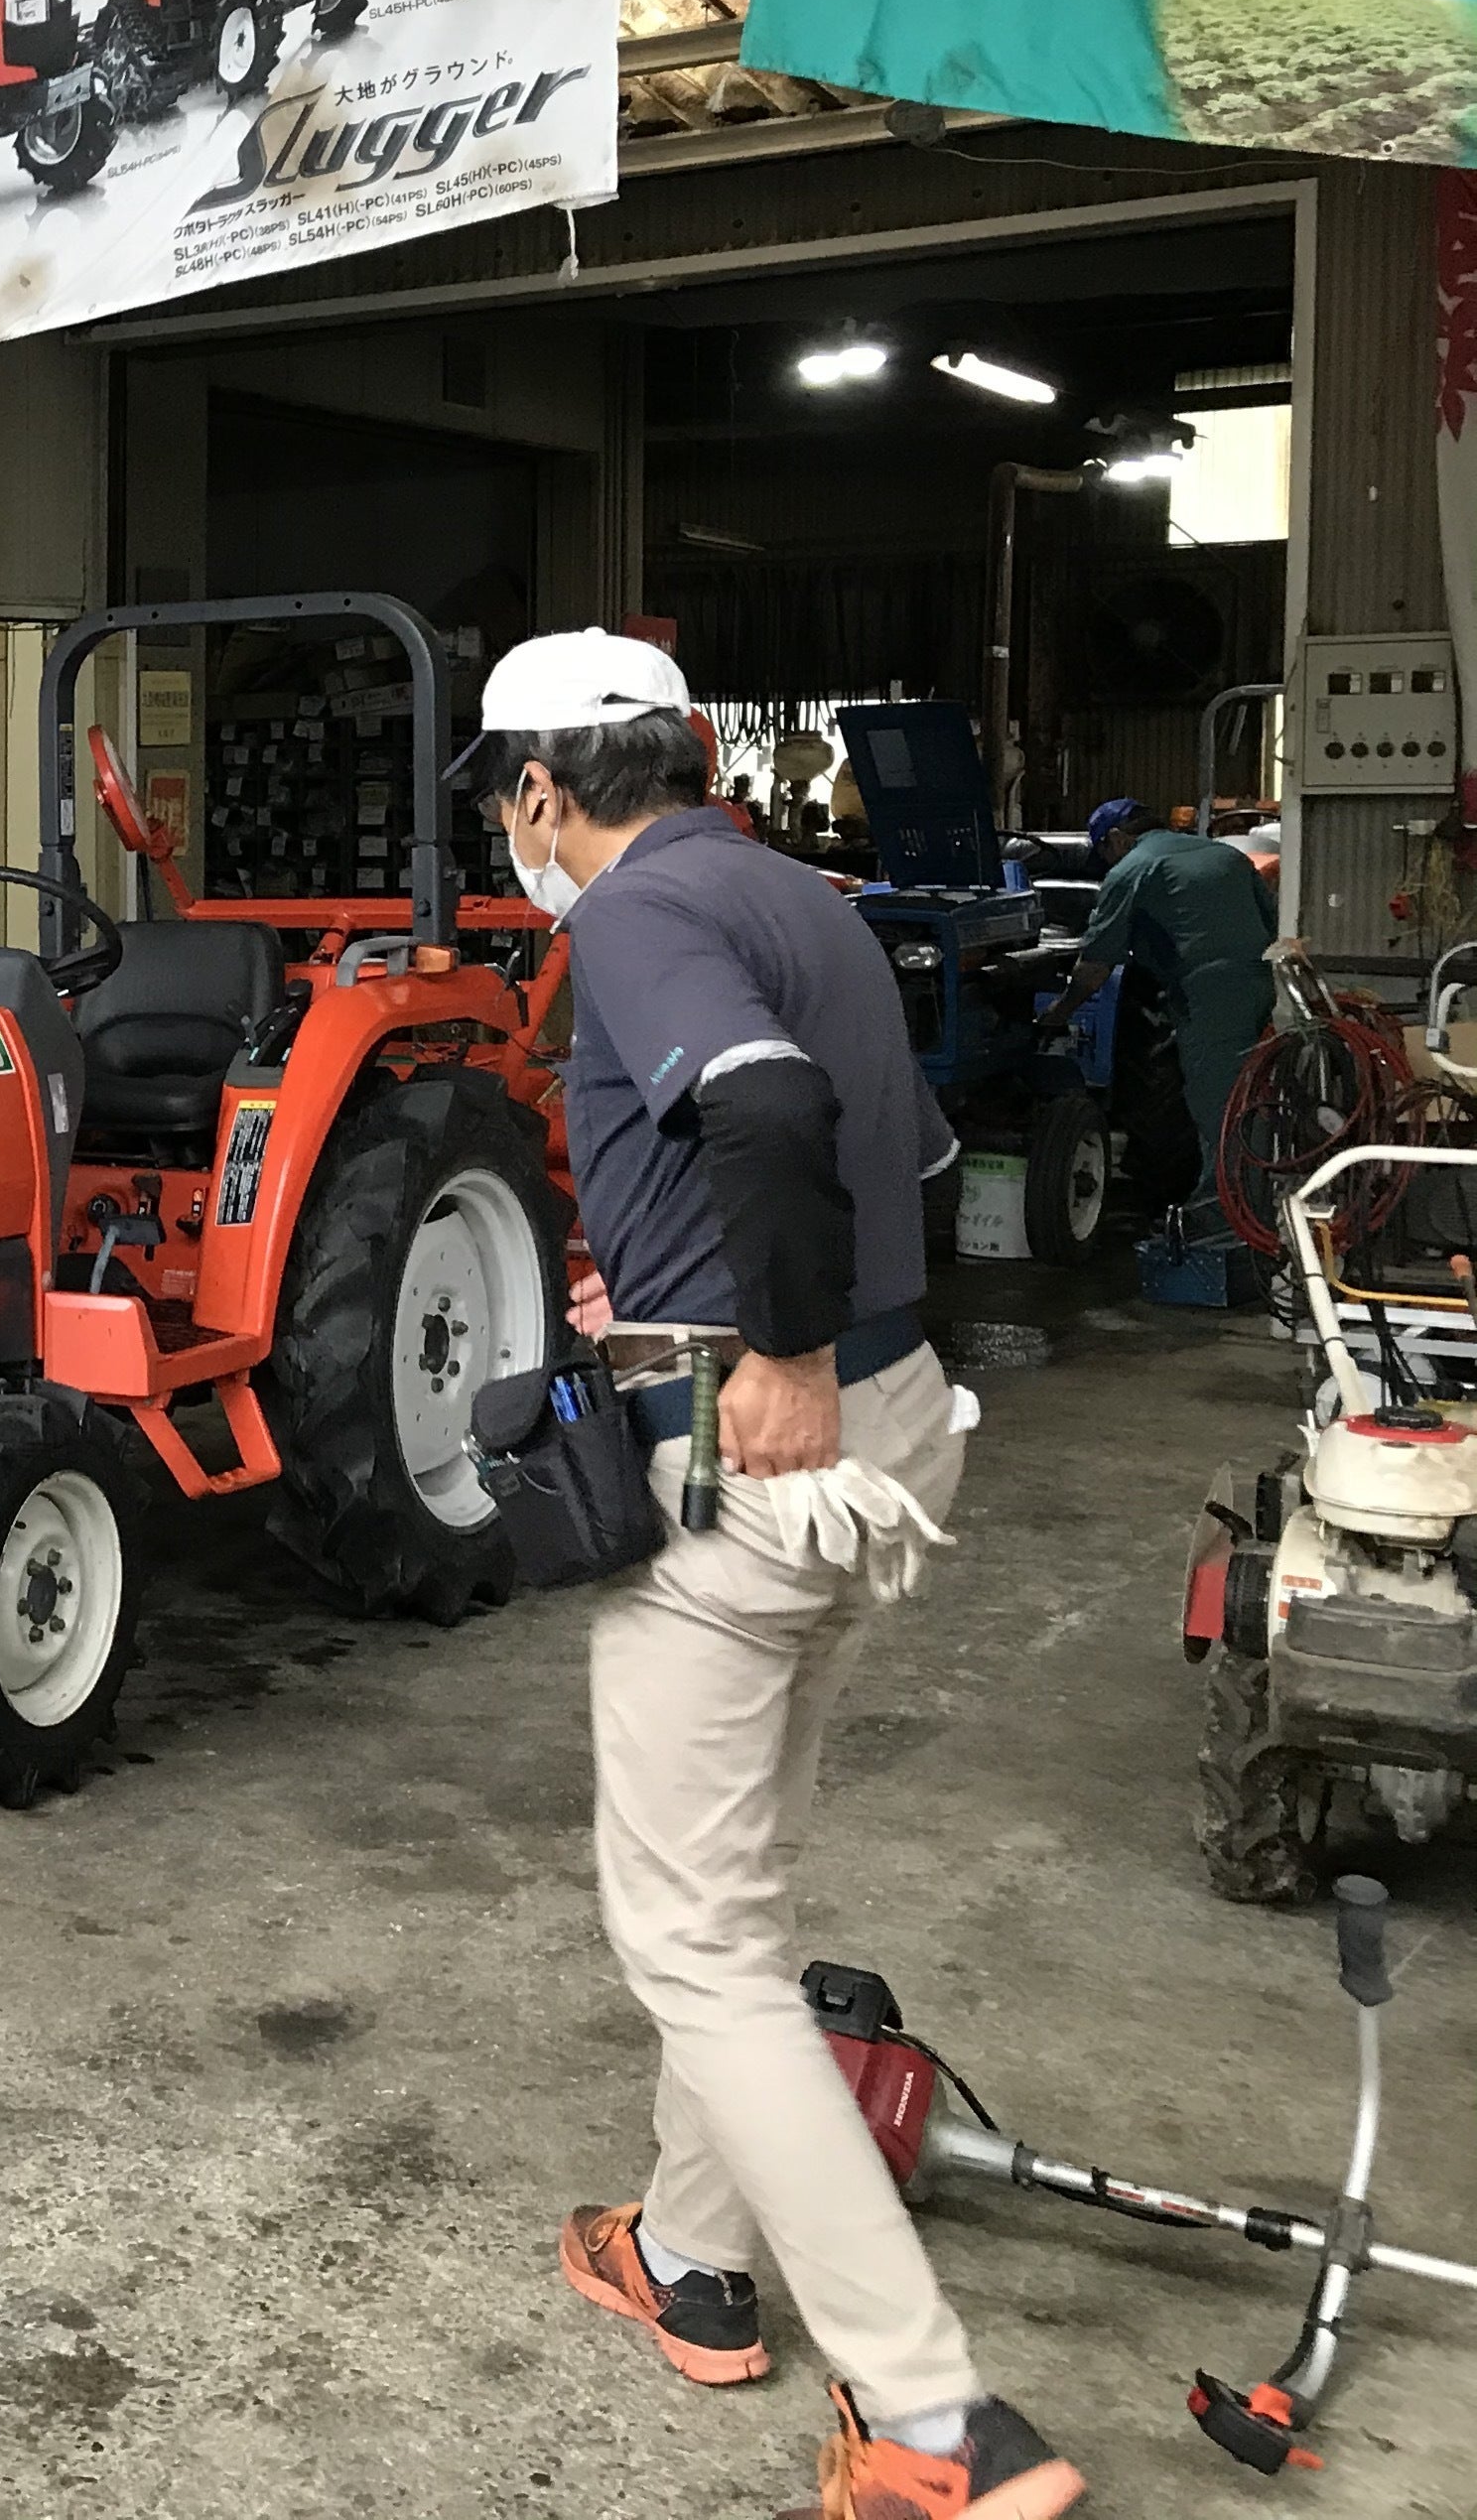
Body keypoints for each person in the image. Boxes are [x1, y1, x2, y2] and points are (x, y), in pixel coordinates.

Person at [468, 630, 1084, 2520]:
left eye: (505, 801)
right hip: (886, 1423)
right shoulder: (799, 899)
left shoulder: (637, 913)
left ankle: (936, 2423)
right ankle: (688, 2254)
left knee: (690, 1937)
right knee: (732, 1888)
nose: (509, 833)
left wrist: (775, 1350)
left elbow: (763, 1110)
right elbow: (885, 1153)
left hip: (762, 1457)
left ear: (544, 789)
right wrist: (701, 1292)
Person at [1051, 796, 1275, 1197]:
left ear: (1116, 838)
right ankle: (1254, 1204)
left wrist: (1059, 1011)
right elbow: (1270, 922)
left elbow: (1095, 966)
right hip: (1261, 986)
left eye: (1103, 852)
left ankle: (1221, 1221)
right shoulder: (1225, 856)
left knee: (1217, 1111)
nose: (1106, 863)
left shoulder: (1132, 869)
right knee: (1250, 1096)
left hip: (1209, 996)